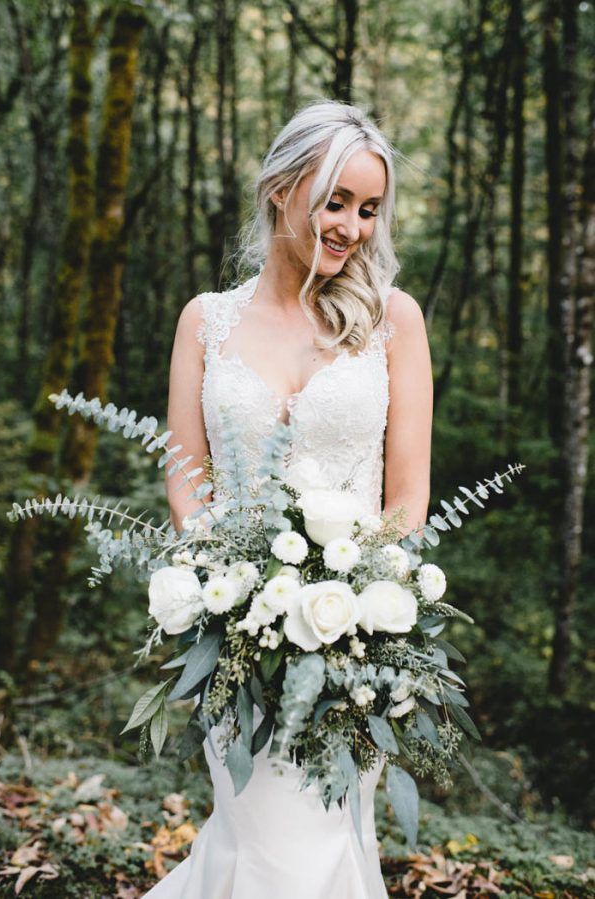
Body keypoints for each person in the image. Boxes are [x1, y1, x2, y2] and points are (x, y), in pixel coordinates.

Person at [143, 100, 433, 899]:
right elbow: (185, 475)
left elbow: (407, 494)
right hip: (237, 644)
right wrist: (230, 599)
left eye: (370, 209)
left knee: (321, 847)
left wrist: (365, 609)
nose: (353, 226)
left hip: (351, 649)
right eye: (336, 200)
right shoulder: (206, 322)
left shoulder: (392, 323)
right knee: (266, 848)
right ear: (281, 187)